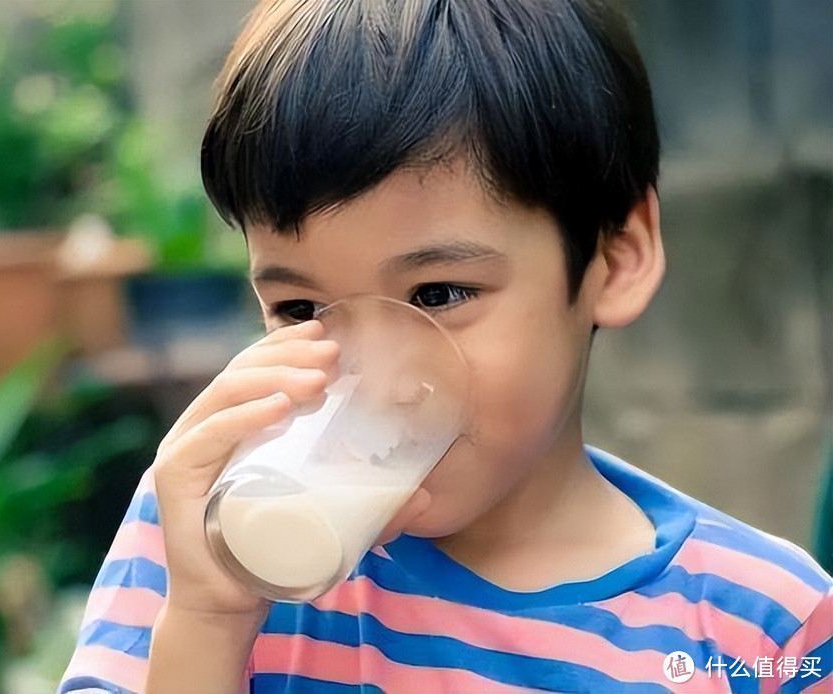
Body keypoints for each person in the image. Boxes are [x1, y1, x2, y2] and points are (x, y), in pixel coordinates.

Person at [58, 0, 833, 691]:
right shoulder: (203, 537)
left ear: (616, 257)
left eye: (438, 296)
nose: (378, 375)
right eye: (301, 308)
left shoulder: (760, 628)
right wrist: (205, 626)